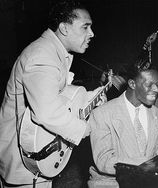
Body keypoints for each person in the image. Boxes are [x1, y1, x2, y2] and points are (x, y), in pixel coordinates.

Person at [0, 0, 105, 187]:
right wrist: (85, 129)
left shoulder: (54, 52)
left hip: (35, 154)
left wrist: (91, 98)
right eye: (85, 27)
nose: (92, 34)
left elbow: (59, 98)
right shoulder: (42, 55)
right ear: (64, 28)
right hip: (24, 159)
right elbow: (47, 112)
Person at [87, 62, 158, 188]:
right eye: (149, 85)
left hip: (147, 181)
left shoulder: (157, 114)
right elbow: (104, 161)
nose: (156, 89)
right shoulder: (102, 114)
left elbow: (154, 155)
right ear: (132, 84)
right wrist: (148, 163)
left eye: (157, 84)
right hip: (112, 183)